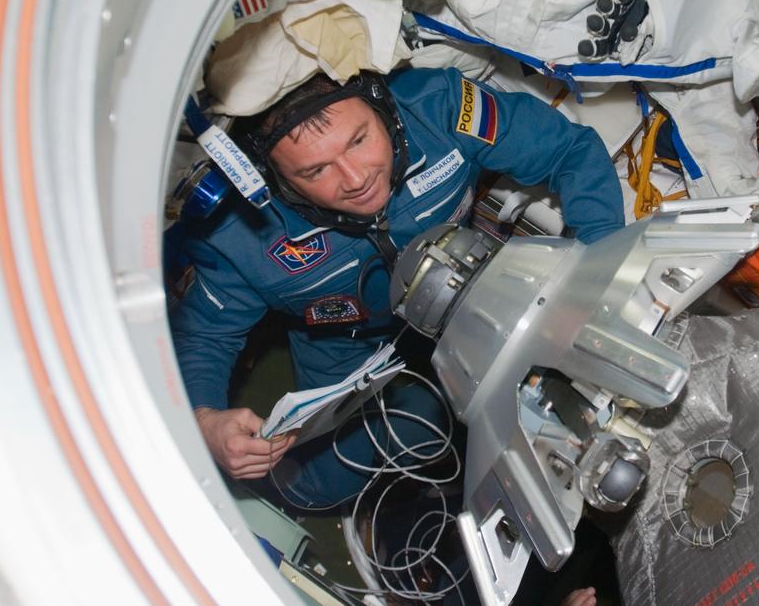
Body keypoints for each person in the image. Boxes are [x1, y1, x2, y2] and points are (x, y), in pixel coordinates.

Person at [168, 66, 625, 509]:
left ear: (380, 104)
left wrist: (593, 281)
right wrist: (203, 420)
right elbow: (204, 336)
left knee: (437, 431)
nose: (355, 178)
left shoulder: (437, 108)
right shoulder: (242, 231)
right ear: (276, 178)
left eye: (360, 140)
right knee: (327, 480)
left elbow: (570, 151)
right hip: (343, 344)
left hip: (464, 297)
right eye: (315, 172)